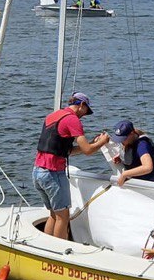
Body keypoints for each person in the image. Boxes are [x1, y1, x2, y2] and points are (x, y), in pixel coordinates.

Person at [34, 92, 109, 241]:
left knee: (54, 215)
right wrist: (103, 142)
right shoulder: (72, 120)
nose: (84, 116)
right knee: (63, 217)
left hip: (37, 172)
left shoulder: (53, 116)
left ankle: (45, 246)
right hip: (52, 174)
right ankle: (58, 251)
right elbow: (87, 151)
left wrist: (92, 144)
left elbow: (67, 150)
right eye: (86, 112)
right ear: (82, 105)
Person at [110, 120, 154, 185]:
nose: (121, 141)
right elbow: (135, 157)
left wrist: (124, 174)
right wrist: (121, 159)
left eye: (123, 139)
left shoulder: (142, 145)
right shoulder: (130, 142)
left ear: (132, 133)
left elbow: (148, 167)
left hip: (152, 183)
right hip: (138, 181)